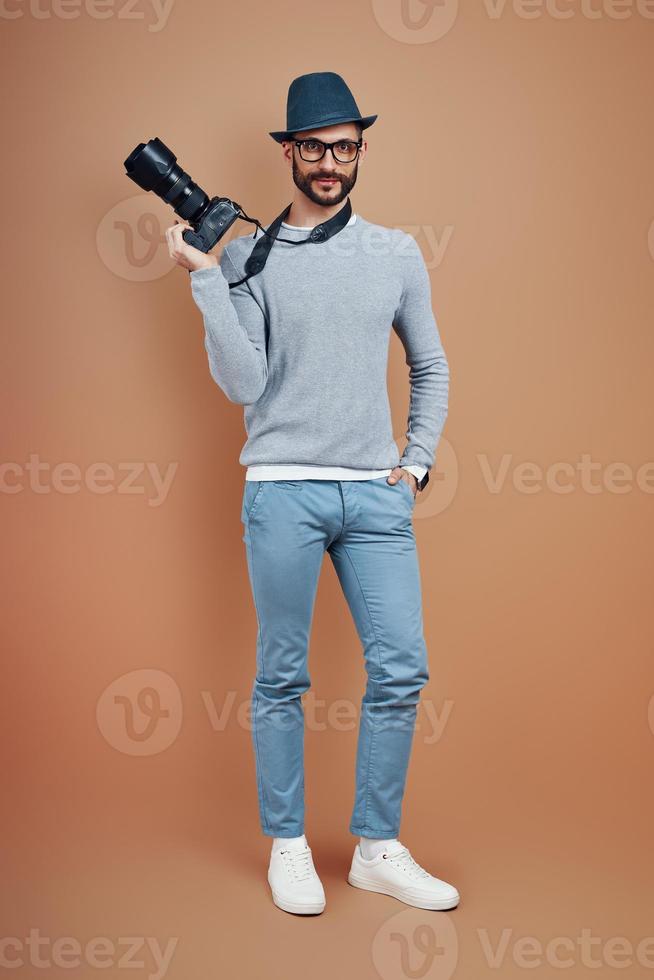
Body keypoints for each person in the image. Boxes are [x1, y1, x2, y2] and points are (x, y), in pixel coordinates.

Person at [165, 71, 459, 916]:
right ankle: (288, 846)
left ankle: (376, 847)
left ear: (359, 151)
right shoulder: (253, 258)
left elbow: (430, 366)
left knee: (401, 667)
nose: (330, 162)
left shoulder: (397, 252)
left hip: (374, 497)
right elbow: (242, 381)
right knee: (283, 674)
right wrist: (206, 279)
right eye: (314, 148)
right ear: (289, 153)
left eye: (345, 147)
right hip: (284, 490)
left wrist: (417, 463)